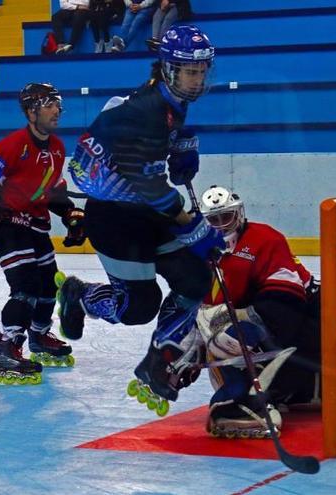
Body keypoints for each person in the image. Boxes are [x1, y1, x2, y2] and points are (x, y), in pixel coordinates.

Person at [56, 24, 222, 408]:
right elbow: (152, 188)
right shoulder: (147, 113)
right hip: (115, 219)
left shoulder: (169, 104)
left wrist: (179, 145)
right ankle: (80, 295)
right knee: (138, 307)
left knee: (195, 279)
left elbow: (153, 177)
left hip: (143, 209)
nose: (196, 80)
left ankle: (159, 360)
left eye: (201, 71)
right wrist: (195, 228)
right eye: (188, 71)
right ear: (168, 69)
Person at [195, 186, 336, 438]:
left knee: (244, 335)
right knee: (219, 335)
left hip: (308, 313)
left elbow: (284, 308)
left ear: (239, 214)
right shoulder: (201, 253)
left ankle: (298, 384)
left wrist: (244, 319)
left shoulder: (265, 238)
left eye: (226, 217)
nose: (220, 225)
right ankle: (306, 387)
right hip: (286, 320)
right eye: (213, 219)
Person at [0, 82, 84, 385]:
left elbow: (54, 191)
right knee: (24, 287)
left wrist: (70, 213)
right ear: (30, 111)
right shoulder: (12, 145)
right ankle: (8, 349)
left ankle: (38, 336)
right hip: (8, 224)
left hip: (36, 224)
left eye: (58, 104)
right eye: (49, 104)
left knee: (48, 286)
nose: (57, 110)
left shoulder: (58, 149)